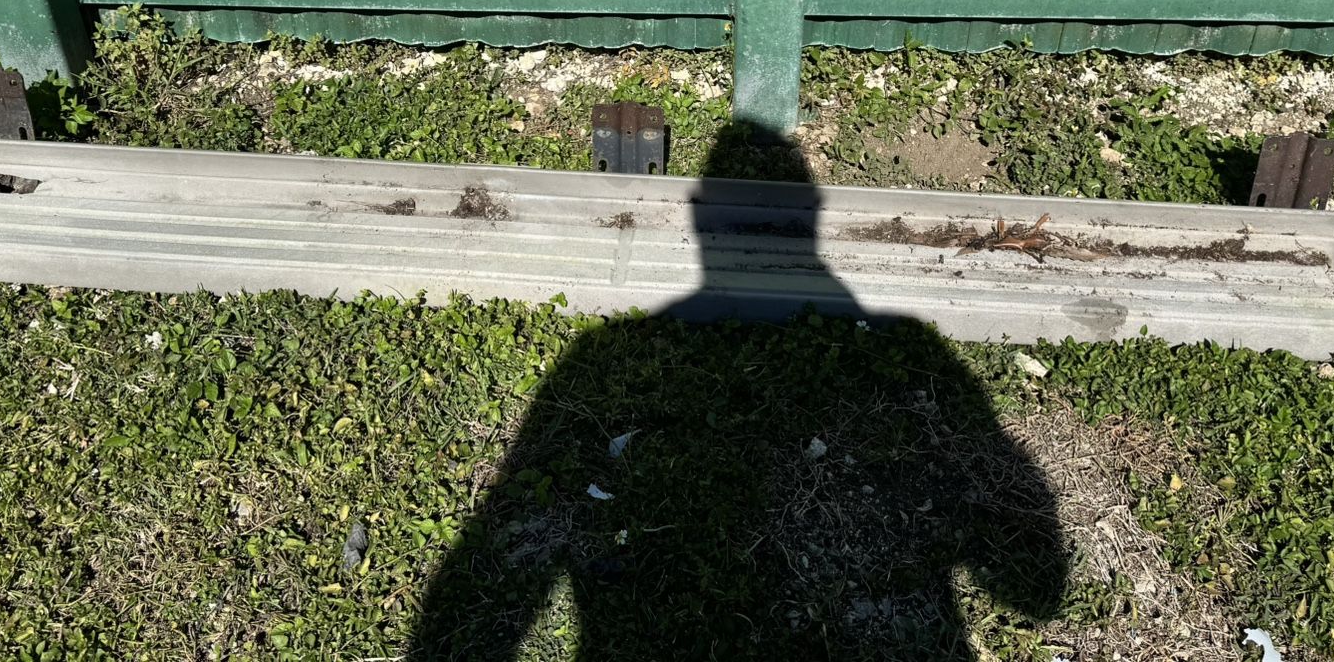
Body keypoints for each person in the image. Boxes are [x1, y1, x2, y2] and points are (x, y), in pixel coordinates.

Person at [409, 124, 1067, 660]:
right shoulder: (909, 342)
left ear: (696, 219)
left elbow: (500, 540)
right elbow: (1036, 592)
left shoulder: (602, 350)